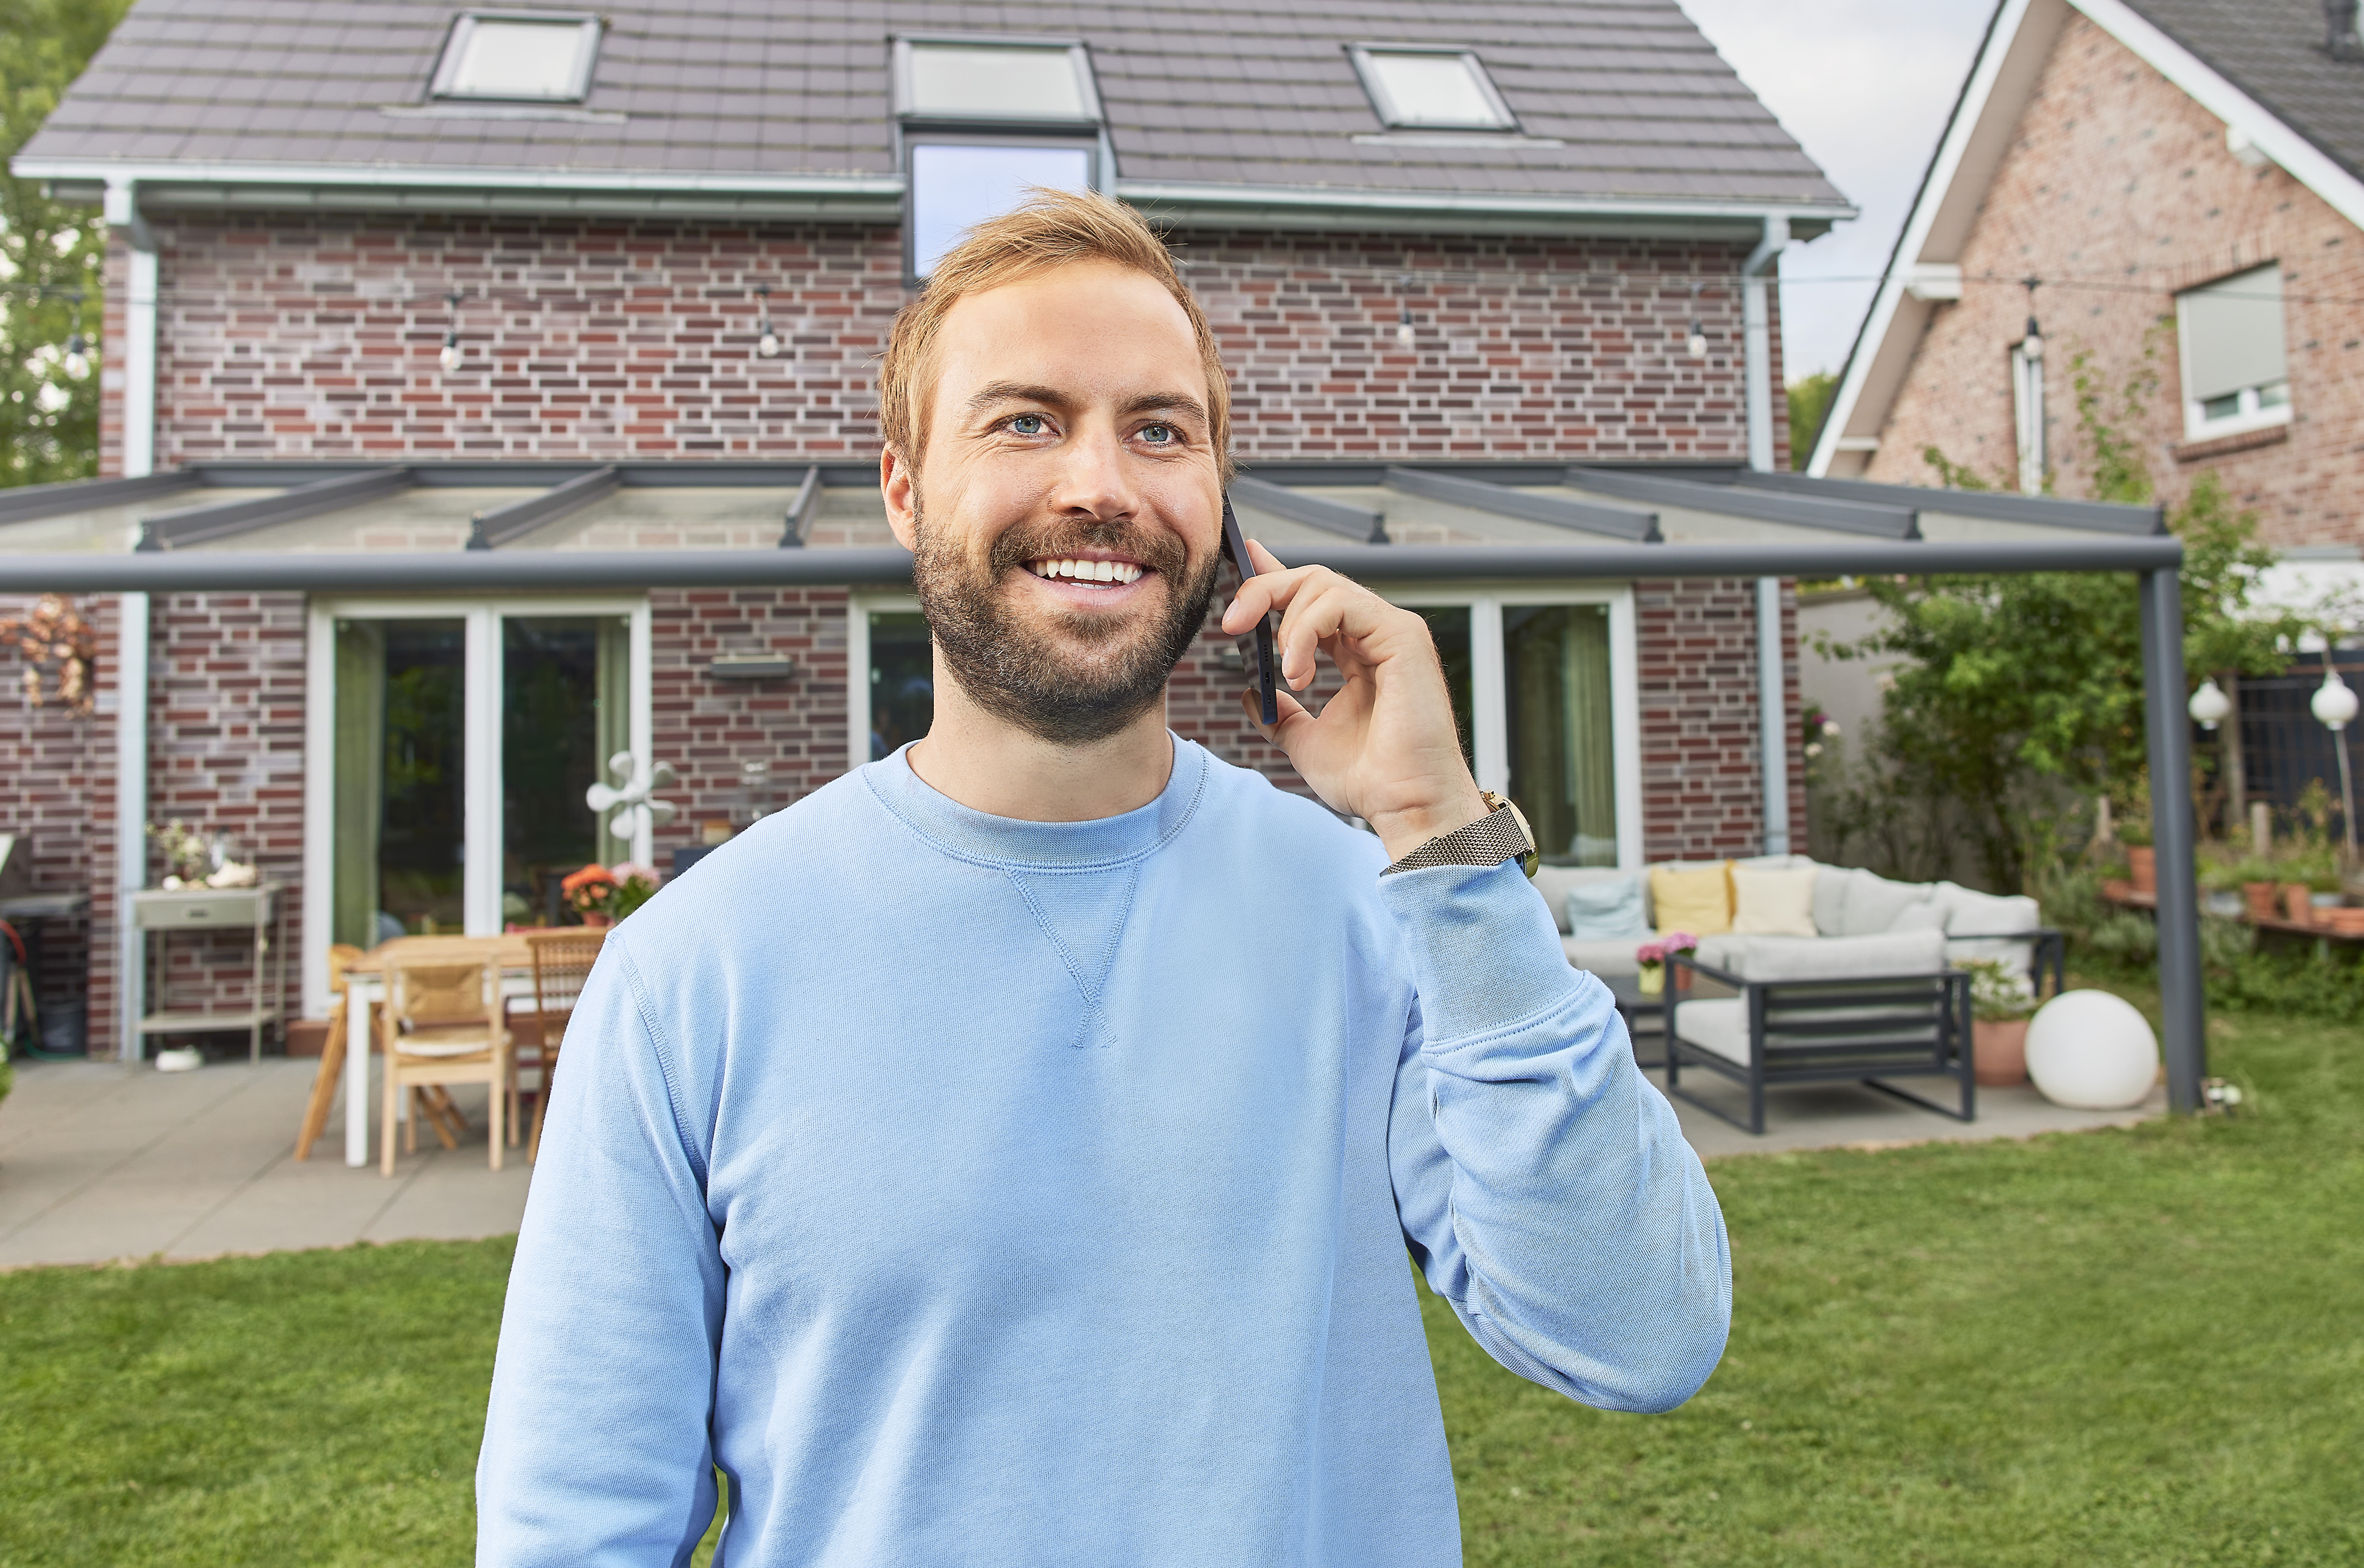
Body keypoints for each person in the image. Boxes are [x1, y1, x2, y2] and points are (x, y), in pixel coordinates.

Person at [477, 192, 1729, 1566]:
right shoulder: (693, 969)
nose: (1102, 485)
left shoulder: (1379, 907)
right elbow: (574, 1526)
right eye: (1025, 420)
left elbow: (1641, 1331)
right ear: (904, 486)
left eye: (1159, 430)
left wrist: (1441, 836)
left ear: (1221, 500)